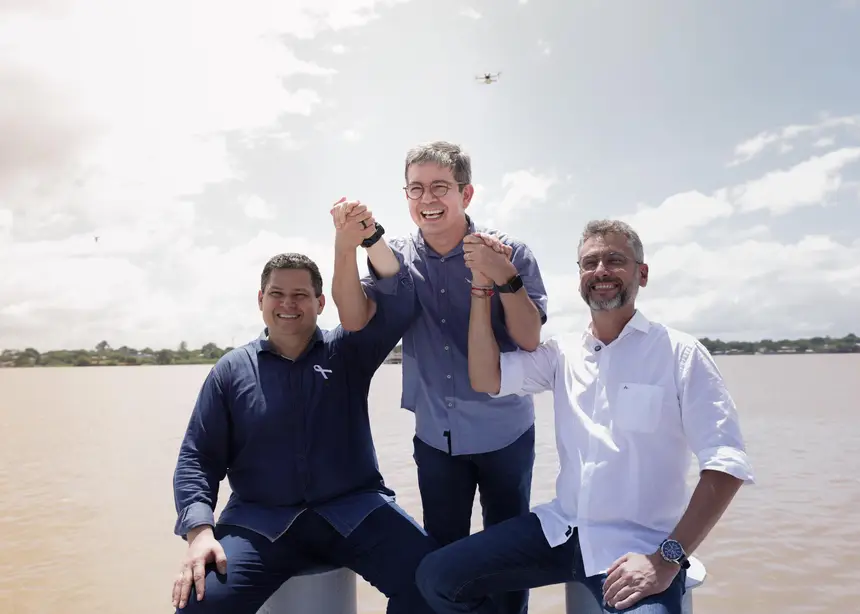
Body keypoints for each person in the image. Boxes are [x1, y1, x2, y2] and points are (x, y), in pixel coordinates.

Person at [415, 219, 756, 614]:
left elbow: (726, 464)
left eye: (615, 260)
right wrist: (481, 286)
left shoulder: (681, 354)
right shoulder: (562, 353)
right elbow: (485, 376)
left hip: (639, 549)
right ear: (579, 277)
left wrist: (668, 558)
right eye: (590, 263)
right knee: (437, 577)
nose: (601, 271)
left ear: (642, 274)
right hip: (561, 531)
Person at [330, 140, 549, 613]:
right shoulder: (395, 257)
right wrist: (346, 244)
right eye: (416, 188)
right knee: (442, 559)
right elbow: (353, 318)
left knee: (510, 560)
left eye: (439, 187)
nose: (427, 199)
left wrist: (502, 275)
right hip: (435, 438)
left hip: (507, 434)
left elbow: (530, 339)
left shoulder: (511, 251)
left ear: (466, 194)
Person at [169, 230, 438, 613]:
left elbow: (398, 301)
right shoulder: (231, 370)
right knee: (198, 602)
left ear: (320, 302)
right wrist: (199, 531)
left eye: (300, 295)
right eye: (276, 293)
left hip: (355, 509)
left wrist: (365, 239)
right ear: (261, 300)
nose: (288, 304)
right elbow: (197, 458)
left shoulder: (349, 351)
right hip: (260, 520)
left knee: (433, 582)